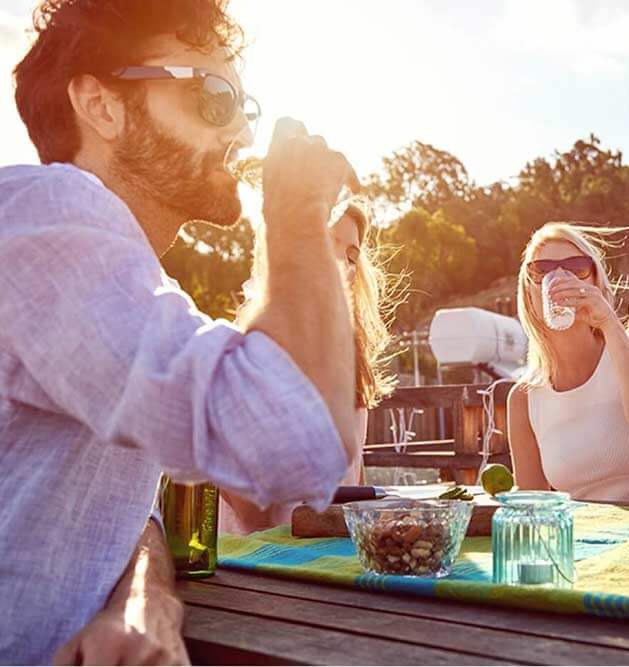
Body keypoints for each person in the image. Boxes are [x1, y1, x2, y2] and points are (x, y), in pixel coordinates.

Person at [0, 1, 361, 662]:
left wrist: (147, 601)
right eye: (213, 97)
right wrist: (296, 207)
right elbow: (295, 445)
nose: (243, 138)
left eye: (243, 110)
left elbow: (132, 512)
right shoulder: (50, 214)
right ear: (102, 106)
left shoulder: (123, 282)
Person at [221, 196, 400, 534]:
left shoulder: (349, 351)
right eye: (329, 243)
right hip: (264, 553)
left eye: (351, 254)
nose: (343, 264)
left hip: (331, 543)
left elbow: (353, 469)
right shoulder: (255, 345)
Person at [506, 222, 629, 503]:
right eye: (542, 270)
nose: (561, 278)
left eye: (577, 267)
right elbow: (533, 506)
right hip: (586, 544)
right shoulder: (524, 397)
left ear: (597, 283)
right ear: (529, 294)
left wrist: (609, 324)